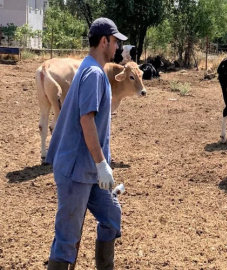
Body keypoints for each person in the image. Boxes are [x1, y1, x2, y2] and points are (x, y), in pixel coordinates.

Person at [45, 18, 128, 270]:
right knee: (67, 239)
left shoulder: (93, 69)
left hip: (89, 169)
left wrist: (101, 166)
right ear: (104, 42)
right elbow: (86, 120)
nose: (117, 47)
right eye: (115, 42)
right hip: (76, 170)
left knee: (111, 216)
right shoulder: (93, 73)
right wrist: (102, 164)